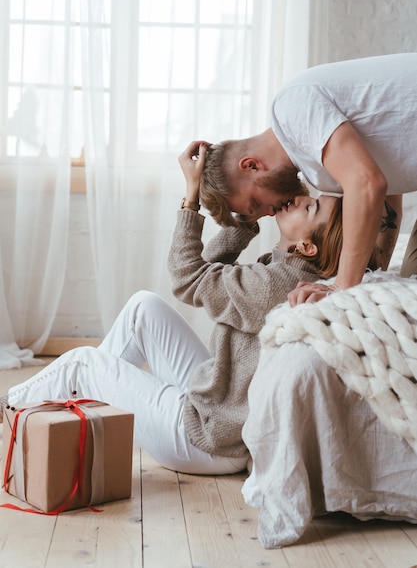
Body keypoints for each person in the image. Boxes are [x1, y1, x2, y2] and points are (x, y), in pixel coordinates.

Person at [0, 152, 370, 476]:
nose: (301, 199)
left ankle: (6, 413)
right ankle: (79, 422)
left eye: (311, 208)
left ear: (306, 245)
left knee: (81, 363)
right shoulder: (286, 270)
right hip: (218, 407)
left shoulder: (275, 283)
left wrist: (190, 197)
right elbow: (205, 271)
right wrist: (244, 220)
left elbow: (187, 276)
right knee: (143, 307)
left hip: (204, 439)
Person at [196, 52, 417, 304]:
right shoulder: (317, 170)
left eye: (256, 204)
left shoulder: (290, 108)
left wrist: (342, 285)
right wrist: (372, 275)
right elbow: (385, 192)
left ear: (251, 166)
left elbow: (367, 183)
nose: (269, 213)